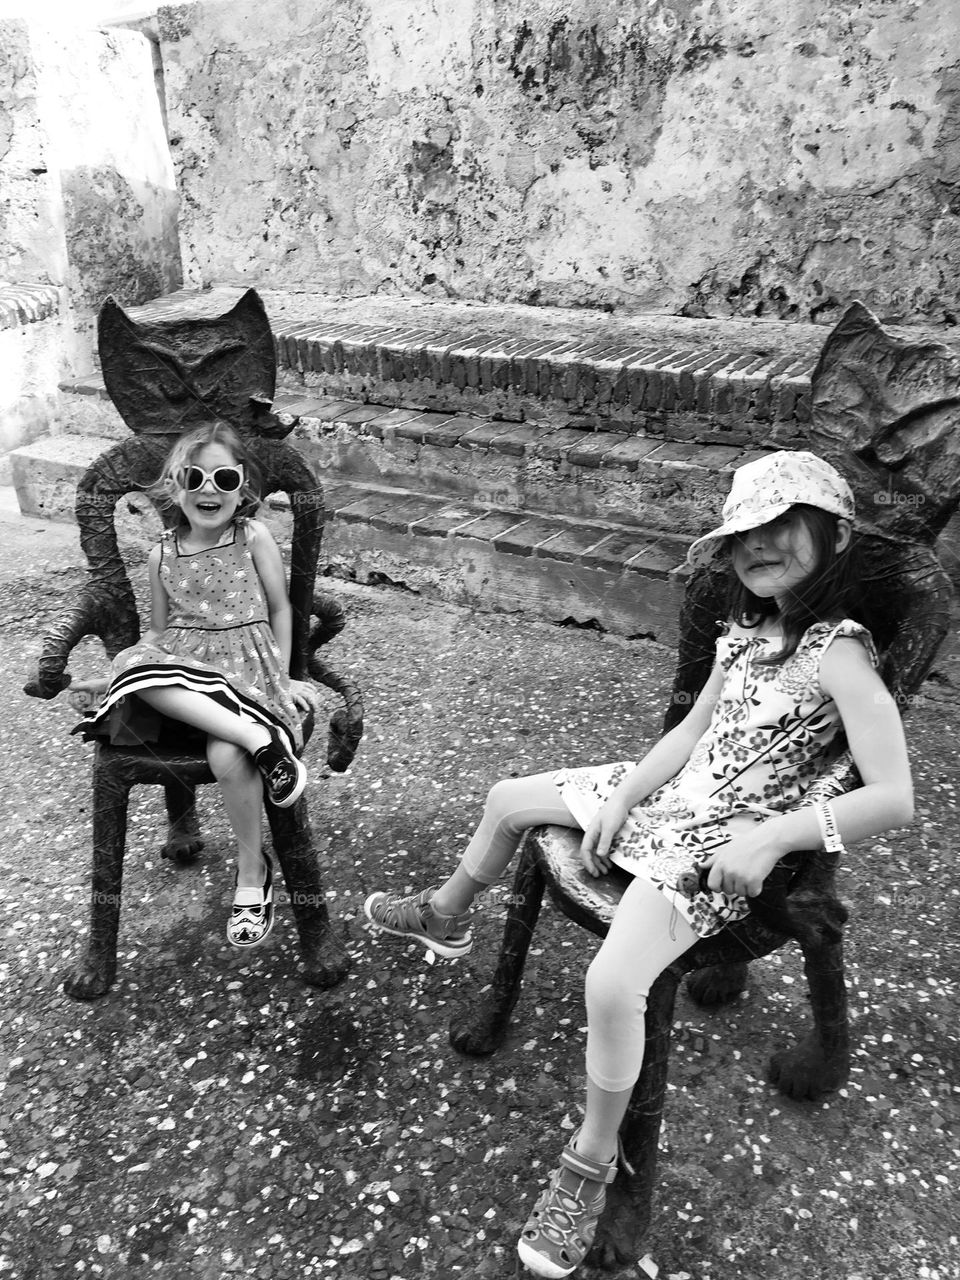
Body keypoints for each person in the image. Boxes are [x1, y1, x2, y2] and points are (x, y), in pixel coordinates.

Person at [362, 450, 914, 1278]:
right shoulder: (742, 636)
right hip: (667, 801)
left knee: (611, 983)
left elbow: (896, 797)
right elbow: (689, 737)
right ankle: (446, 915)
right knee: (510, 796)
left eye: (779, 524)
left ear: (833, 537)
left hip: (723, 838)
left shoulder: (840, 653)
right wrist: (621, 797)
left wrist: (771, 840)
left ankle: (589, 1163)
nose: (757, 544)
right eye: (743, 534)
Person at [72, 421, 318, 950]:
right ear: (175, 486)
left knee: (228, 753)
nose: (210, 489)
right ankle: (263, 742)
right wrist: (112, 678)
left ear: (242, 489)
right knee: (139, 665)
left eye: (224, 478)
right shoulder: (162, 553)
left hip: (248, 672)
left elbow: (280, 607)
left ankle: (253, 873)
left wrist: (289, 674)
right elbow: (159, 635)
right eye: (195, 477)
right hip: (185, 672)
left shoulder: (253, 537)